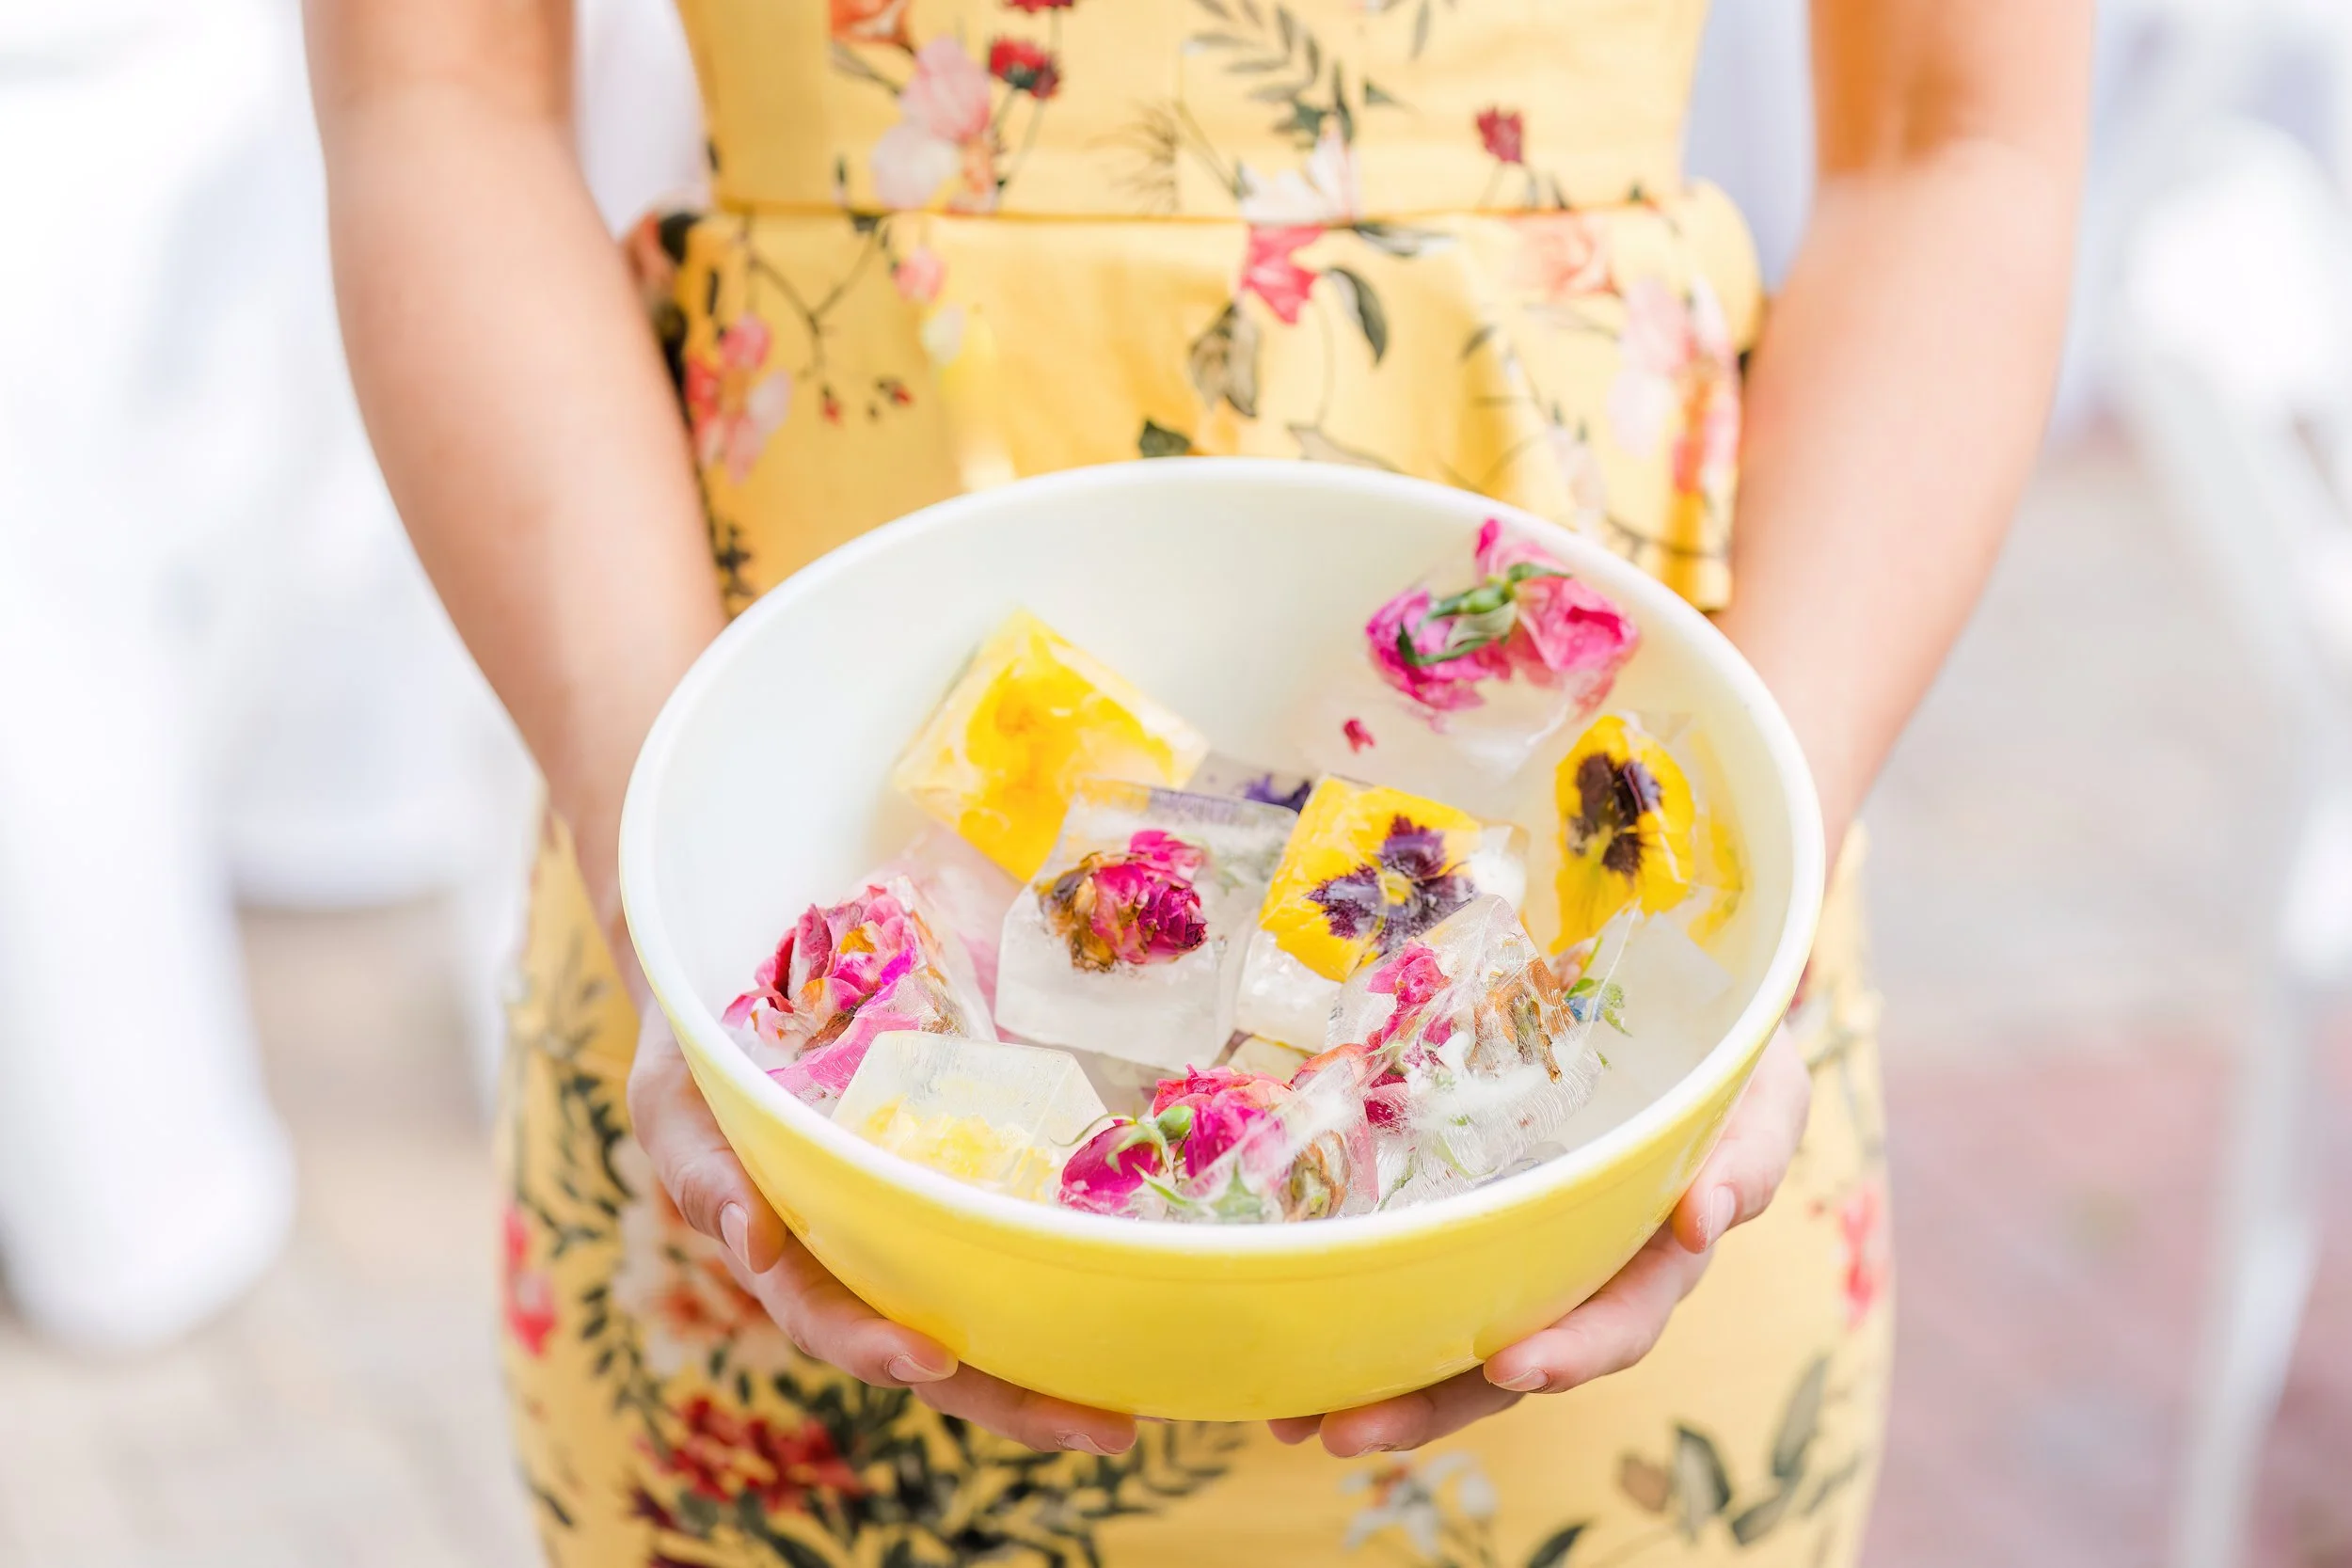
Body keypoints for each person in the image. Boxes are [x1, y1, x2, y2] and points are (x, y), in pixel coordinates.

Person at [307, 1, 2090, 1561]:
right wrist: (665, 860)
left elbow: (1962, 138)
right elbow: (434, 92)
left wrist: (1764, 852)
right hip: (786, 887)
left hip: (1601, 913)